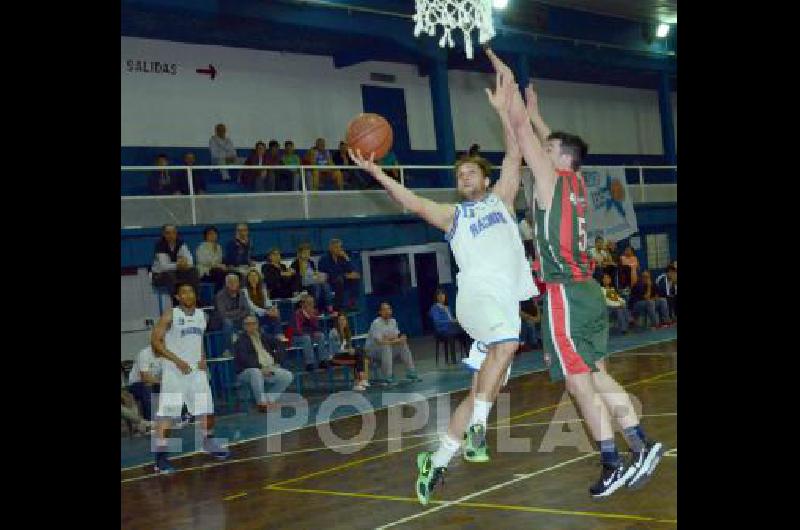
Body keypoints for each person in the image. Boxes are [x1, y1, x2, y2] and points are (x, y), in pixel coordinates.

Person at [350, 50, 536, 505]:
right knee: (509, 344)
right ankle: (477, 433)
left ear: (485, 179)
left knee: (480, 390)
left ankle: (437, 460)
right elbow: (412, 202)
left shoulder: (503, 200)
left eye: (470, 171)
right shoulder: (453, 216)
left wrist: (507, 113)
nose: (463, 176)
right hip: (476, 296)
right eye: (459, 174)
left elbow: (516, 151)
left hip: (501, 304)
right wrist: (378, 174)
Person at [511, 70, 663, 497]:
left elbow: (526, 139)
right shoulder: (574, 180)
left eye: (547, 150)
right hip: (588, 292)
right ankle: (634, 450)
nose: (540, 152)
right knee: (593, 376)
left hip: (564, 293)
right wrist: (540, 118)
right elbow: (555, 144)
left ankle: (624, 456)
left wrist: (512, 107)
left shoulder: (552, 178)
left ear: (559, 160)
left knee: (579, 383)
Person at [150, 283, 230, 474]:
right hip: (174, 372)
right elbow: (155, 342)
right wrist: (177, 360)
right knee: (168, 415)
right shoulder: (171, 315)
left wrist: (202, 358)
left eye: (190, 291)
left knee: (208, 411)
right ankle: (160, 458)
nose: (188, 295)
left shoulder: (202, 315)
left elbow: (198, 339)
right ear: (177, 297)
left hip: (196, 372)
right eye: (183, 292)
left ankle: (208, 442)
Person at [233, 315, 294, 412]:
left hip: (268, 368)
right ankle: (261, 403)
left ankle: (269, 399)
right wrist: (261, 368)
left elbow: (279, 344)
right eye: (248, 324)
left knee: (287, 376)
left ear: (257, 325)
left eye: (253, 323)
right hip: (247, 372)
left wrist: (277, 362)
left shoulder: (264, 336)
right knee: (255, 372)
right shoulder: (241, 340)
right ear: (244, 326)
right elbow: (245, 359)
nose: (251, 326)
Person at [364, 302, 419, 386]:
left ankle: (411, 372)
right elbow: (380, 342)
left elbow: (395, 337)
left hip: (387, 349)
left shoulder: (393, 321)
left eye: (389, 309)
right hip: (373, 351)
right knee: (386, 346)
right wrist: (393, 340)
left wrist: (401, 339)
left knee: (403, 344)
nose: (387, 311)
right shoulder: (376, 323)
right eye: (384, 310)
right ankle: (388, 376)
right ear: (380, 312)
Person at [242, 268, 287, 351]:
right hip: (253, 315)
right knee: (258, 317)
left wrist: (272, 308)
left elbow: (267, 302)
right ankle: (267, 343)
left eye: (255, 276)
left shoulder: (262, 288)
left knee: (276, 313)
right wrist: (266, 311)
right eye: (251, 276)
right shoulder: (244, 291)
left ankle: (279, 334)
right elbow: (251, 306)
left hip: (264, 313)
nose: (253, 278)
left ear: (258, 278)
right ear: (247, 279)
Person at [151, 224, 199, 296]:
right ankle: (176, 302)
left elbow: (190, 262)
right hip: (159, 275)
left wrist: (184, 264)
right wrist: (179, 264)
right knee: (170, 275)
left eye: (174, 232)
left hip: (176, 272)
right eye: (168, 233)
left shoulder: (181, 244)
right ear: (163, 234)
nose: (171, 235)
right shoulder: (160, 245)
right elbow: (164, 267)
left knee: (192, 271)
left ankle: (195, 299)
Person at [317, 239, 361, 311]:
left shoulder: (342, 258)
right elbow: (325, 275)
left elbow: (355, 273)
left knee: (355, 279)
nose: (339, 249)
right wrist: (344, 275)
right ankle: (338, 307)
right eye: (336, 247)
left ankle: (352, 304)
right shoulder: (324, 259)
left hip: (342, 280)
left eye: (340, 247)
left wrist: (347, 258)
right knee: (339, 280)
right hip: (329, 283)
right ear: (330, 248)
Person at [291, 242, 335, 315]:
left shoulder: (311, 262)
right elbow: (300, 276)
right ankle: (315, 308)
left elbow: (315, 273)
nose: (307, 255)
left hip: (313, 281)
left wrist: (319, 276)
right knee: (317, 287)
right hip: (303, 285)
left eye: (308, 253)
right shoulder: (295, 263)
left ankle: (329, 307)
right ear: (300, 253)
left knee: (325, 285)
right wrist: (302, 263)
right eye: (305, 253)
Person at [328, 313, 369, 391]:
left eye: (344, 320)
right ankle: (361, 380)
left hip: (344, 354)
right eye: (340, 320)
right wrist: (348, 350)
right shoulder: (334, 332)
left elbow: (348, 347)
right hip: (335, 356)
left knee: (359, 352)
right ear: (337, 321)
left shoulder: (347, 331)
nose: (342, 322)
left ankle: (359, 381)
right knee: (359, 354)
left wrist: (350, 350)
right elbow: (336, 350)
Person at [292, 294, 331, 371]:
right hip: (296, 337)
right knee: (306, 338)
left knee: (321, 335)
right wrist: (309, 333)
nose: (311, 305)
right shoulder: (297, 314)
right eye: (309, 303)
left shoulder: (314, 312)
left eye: (312, 303)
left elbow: (316, 328)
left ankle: (322, 360)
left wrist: (312, 317)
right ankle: (309, 363)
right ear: (303, 304)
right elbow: (297, 330)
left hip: (309, 335)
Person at [215, 274, 250, 351]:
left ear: (238, 283)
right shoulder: (220, 295)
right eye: (230, 282)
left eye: (235, 281)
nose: (233, 284)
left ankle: (250, 346)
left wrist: (235, 314)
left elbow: (247, 309)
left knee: (251, 319)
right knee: (228, 323)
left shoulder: (242, 293)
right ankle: (227, 350)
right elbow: (223, 313)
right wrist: (239, 311)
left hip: (239, 319)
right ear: (226, 284)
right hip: (224, 321)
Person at [127, 345, 162, 421]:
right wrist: (162, 382)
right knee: (147, 386)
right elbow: (145, 378)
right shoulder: (144, 354)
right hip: (136, 384)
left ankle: (174, 418)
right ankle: (151, 422)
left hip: (154, 383)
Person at [428, 288, 469, 352]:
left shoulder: (447, 307)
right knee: (463, 331)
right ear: (436, 297)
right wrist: (451, 321)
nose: (441, 296)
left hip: (450, 328)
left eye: (443, 294)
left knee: (466, 331)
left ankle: (468, 352)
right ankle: (467, 352)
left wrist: (455, 320)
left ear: (445, 296)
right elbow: (437, 321)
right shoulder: (434, 308)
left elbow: (451, 319)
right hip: (442, 330)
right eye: (439, 295)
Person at [195, 226, 228, 292]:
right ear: (206, 236)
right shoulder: (201, 247)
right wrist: (218, 265)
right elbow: (203, 261)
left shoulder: (218, 247)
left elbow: (220, 260)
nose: (213, 236)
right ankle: (218, 294)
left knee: (229, 273)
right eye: (210, 234)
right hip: (205, 272)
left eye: (214, 234)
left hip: (216, 271)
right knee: (219, 272)